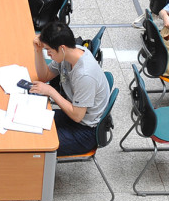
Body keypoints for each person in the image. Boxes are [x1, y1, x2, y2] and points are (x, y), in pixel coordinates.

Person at [30, 21, 111, 156]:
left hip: (84, 131)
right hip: (73, 115)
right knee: (30, 124)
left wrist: (51, 91)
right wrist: (38, 51)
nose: (49, 55)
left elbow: (77, 116)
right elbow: (44, 76)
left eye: (49, 51)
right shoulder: (70, 52)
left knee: (37, 143)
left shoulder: (85, 75)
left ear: (62, 48)